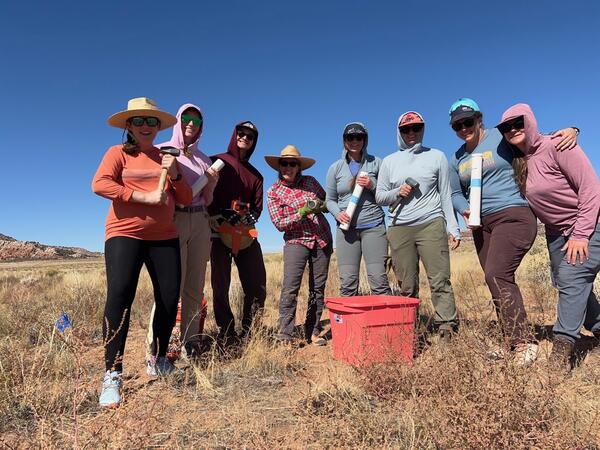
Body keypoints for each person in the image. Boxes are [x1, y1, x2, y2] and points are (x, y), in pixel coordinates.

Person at [448, 98, 578, 363]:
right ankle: (511, 338)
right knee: (494, 279)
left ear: (479, 119)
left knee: (497, 273)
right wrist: (463, 209)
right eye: (457, 125)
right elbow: (453, 192)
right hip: (480, 224)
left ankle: (523, 342)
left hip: (514, 214)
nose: (464, 128)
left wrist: (572, 130)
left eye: (468, 121)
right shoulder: (457, 157)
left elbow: (534, 138)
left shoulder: (500, 137)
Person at [92, 97, 192, 408]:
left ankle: (158, 358)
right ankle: (112, 373)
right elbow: (100, 184)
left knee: (167, 297)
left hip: (164, 236)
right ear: (129, 127)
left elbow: (186, 198)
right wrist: (140, 196)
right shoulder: (117, 154)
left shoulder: (167, 157)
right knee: (120, 296)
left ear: (159, 127)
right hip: (124, 234)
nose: (146, 127)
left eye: (151, 122)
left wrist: (175, 173)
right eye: (139, 121)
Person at [498, 103, 600, 374]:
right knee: (569, 283)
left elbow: (590, 187)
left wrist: (581, 233)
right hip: (556, 233)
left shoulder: (558, 145)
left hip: (587, 225)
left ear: (530, 121)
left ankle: (561, 351)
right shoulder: (518, 160)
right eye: (506, 127)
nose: (513, 129)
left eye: (518, 123)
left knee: (572, 279)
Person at [376, 111, 460, 340]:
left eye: (416, 128)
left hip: (430, 223)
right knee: (406, 283)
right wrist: (397, 192)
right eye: (406, 129)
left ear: (423, 129)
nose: (412, 133)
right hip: (399, 227)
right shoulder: (389, 162)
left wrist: (453, 227)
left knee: (439, 279)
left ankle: (446, 327)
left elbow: (445, 194)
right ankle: (408, 329)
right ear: (399, 132)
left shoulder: (437, 156)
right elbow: (379, 196)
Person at [145, 103, 218, 361]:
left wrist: (210, 184)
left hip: (200, 221)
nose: (190, 124)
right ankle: (155, 347)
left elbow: (207, 199)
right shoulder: (163, 150)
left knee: (194, 287)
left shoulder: (205, 159)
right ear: (178, 120)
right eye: (186, 118)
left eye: (196, 121)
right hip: (174, 220)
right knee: (170, 286)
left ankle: (191, 342)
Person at [265, 145, 332, 345]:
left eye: (292, 164)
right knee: (290, 288)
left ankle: (313, 330)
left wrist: (322, 206)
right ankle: (285, 335)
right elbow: (279, 223)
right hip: (296, 240)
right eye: (284, 163)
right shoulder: (274, 192)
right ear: (279, 166)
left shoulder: (311, 182)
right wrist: (301, 213)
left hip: (321, 238)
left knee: (318, 288)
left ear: (298, 167)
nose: (288, 167)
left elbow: (328, 202)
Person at [208, 121, 266, 342]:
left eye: (250, 136)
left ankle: (252, 331)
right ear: (234, 135)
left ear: (254, 142)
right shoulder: (216, 161)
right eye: (241, 134)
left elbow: (257, 207)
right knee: (220, 285)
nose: (245, 138)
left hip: (245, 233)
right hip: (217, 230)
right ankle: (227, 332)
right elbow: (205, 191)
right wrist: (214, 215)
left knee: (257, 282)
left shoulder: (256, 175)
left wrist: (245, 218)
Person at [325, 122, 392, 297]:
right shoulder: (335, 168)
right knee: (347, 282)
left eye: (359, 137)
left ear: (365, 139)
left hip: (374, 227)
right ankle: (349, 324)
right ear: (344, 140)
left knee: (378, 280)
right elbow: (330, 200)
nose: (355, 141)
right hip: (346, 231)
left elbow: (386, 196)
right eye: (350, 137)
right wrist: (338, 214)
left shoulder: (377, 163)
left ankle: (385, 323)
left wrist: (372, 184)